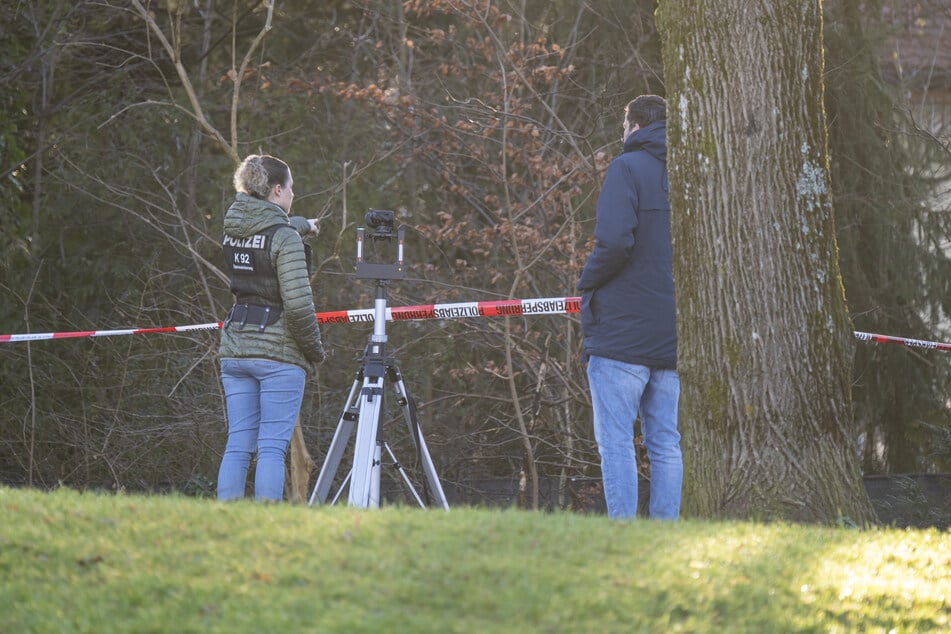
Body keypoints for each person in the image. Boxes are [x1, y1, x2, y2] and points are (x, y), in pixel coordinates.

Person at [577, 95, 682, 519]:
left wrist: (587, 283)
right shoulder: (688, 173)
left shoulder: (626, 168)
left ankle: (622, 532)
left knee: (616, 441)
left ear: (633, 126)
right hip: (670, 332)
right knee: (665, 442)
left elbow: (615, 241)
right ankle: (664, 532)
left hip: (621, 333)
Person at [216, 154, 326, 501]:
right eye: (291, 188)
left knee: (238, 444)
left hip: (235, 348)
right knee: (271, 449)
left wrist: (302, 225)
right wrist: (314, 351)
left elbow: (267, 232)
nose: (294, 194)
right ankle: (267, 521)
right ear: (277, 190)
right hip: (278, 354)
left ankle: (224, 519)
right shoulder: (284, 239)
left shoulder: (232, 229)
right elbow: (297, 306)